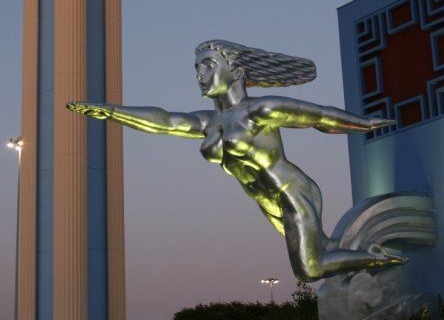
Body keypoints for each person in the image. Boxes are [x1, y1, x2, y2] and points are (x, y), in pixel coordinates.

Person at [68, 39, 405, 282]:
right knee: (323, 251)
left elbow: (318, 117)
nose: (199, 74)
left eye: (208, 65)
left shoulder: (259, 111)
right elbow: (164, 121)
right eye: (197, 67)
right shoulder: (207, 122)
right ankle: (366, 258)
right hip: (267, 202)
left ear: (237, 71)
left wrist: (364, 123)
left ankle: (377, 259)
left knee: (310, 269)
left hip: (293, 192)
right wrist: (110, 111)